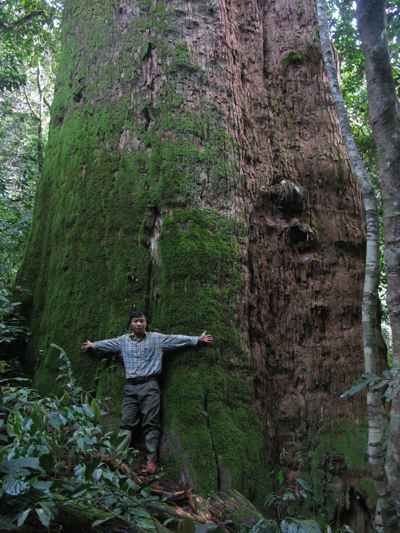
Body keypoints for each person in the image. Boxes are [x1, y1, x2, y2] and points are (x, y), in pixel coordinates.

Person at [81, 310, 213, 473]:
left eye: (141, 321)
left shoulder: (156, 338)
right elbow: (108, 344)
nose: (138, 324)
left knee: (151, 424)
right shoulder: (123, 341)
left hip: (149, 385)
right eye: (135, 321)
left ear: (146, 323)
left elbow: (175, 339)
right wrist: (93, 345)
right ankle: (116, 457)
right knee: (126, 423)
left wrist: (197, 340)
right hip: (131, 387)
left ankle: (151, 460)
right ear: (130, 323)